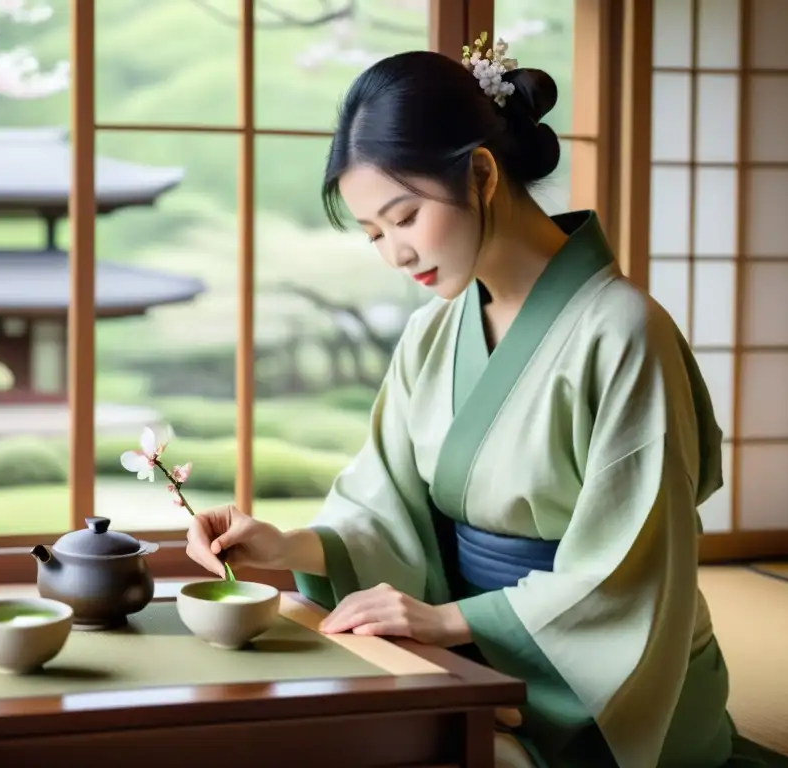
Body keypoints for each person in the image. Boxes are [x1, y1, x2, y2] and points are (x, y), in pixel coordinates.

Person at [185, 42, 742, 768]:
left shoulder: (625, 333)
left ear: (480, 172)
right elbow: (386, 502)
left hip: (612, 684)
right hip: (473, 654)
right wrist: (288, 546)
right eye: (375, 233)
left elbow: (632, 573)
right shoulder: (433, 332)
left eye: (406, 216)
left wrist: (445, 619)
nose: (395, 254)